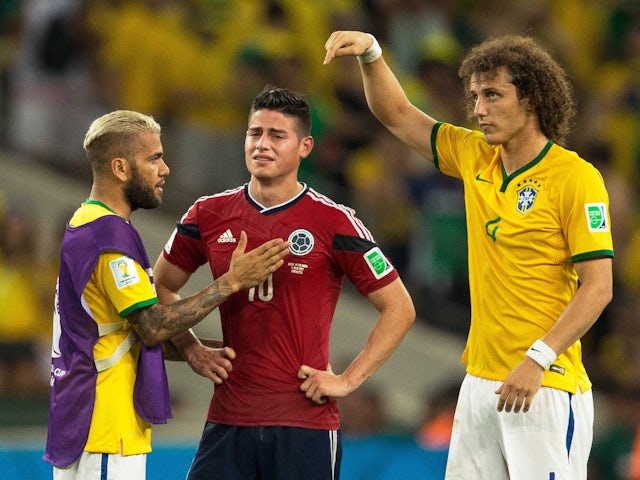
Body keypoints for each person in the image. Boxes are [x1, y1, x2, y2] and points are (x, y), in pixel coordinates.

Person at [323, 31, 614, 479]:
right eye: (475, 95)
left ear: (532, 99)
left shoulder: (576, 178)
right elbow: (398, 115)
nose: (479, 109)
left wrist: (538, 359)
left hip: (544, 384)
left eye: (493, 95)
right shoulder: (475, 156)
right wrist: (372, 54)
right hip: (479, 385)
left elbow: (599, 288)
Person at [152, 85, 416, 479]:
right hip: (228, 419)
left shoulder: (334, 220)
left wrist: (347, 380)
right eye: (254, 133)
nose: (262, 144)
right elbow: (160, 285)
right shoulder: (208, 213)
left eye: (277, 135)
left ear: (305, 146)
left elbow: (400, 308)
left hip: (304, 425)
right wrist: (191, 348)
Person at [43, 109, 290, 480]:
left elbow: (117, 333)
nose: (165, 170)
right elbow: (153, 326)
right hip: (106, 425)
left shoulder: (84, 223)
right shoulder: (108, 237)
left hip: (86, 419)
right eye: (154, 158)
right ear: (121, 169)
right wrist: (231, 282)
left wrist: (194, 350)